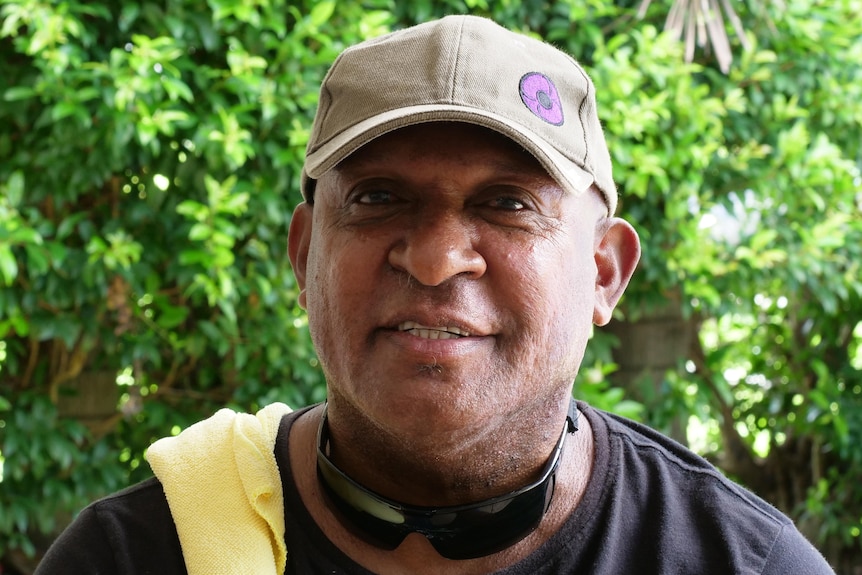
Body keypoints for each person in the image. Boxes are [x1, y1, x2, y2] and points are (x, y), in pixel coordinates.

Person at [36, 14, 834, 575]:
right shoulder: (142, 553)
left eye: (507, 204)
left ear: (603, 273)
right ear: (305, 257)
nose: (435, 259)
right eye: (379, 198)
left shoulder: (743, 562)